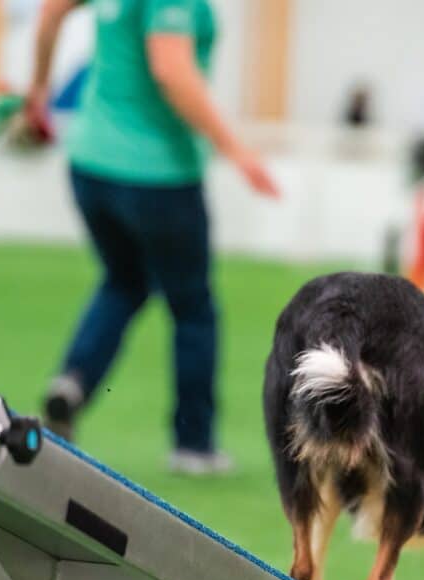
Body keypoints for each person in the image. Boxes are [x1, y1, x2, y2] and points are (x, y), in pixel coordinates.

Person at [28, 0, 279, 474]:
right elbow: (172, 71)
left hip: (91, 165)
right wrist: (237, 150)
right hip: (158, 175)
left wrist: (39, 88)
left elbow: (50, 12)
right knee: (193, 308)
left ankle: (73, 382)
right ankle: (194, 444)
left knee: (124, 281)